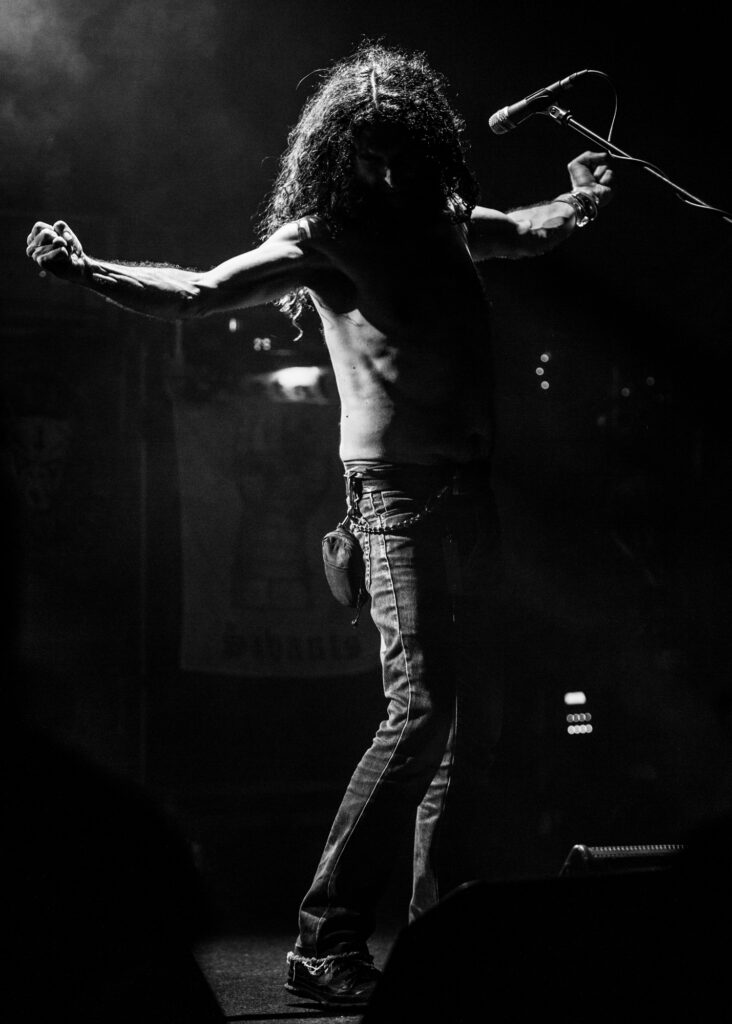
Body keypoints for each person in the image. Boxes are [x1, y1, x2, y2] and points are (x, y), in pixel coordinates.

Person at [26, 42, 614, 1009]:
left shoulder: (444, 217)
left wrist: (582, 198)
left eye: (400, 149)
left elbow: (528, 229)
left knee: (478, 725)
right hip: (395, 499)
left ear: (427, 145)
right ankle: (324, 937)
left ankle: (438, 940)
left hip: (470, 494)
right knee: (420, 713)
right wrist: (88, 269)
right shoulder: (327, 236)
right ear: (342, 150)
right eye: (369, 151)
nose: (385, 168)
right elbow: (201, 292)